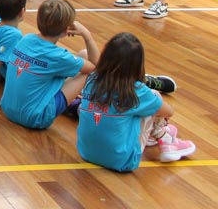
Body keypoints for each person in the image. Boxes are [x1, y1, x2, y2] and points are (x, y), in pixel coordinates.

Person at [77, 32, 192, 170]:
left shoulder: (92, 79)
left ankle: (160, 135)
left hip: (86, 153)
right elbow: (169, 112)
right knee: (153, 97)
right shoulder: (137, 91)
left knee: (129, 110)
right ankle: (165, 138)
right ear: (137, 64)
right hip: (123, 161)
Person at [0, 0, 98, 130]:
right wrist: (87, 35)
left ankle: (75, 101)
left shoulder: (26, 39)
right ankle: (89, 105)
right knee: (87, 72)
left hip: (7, 109)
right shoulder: (59, 56)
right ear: (66, 30)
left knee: (81, 57)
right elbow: (94, 67)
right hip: (35, 118)